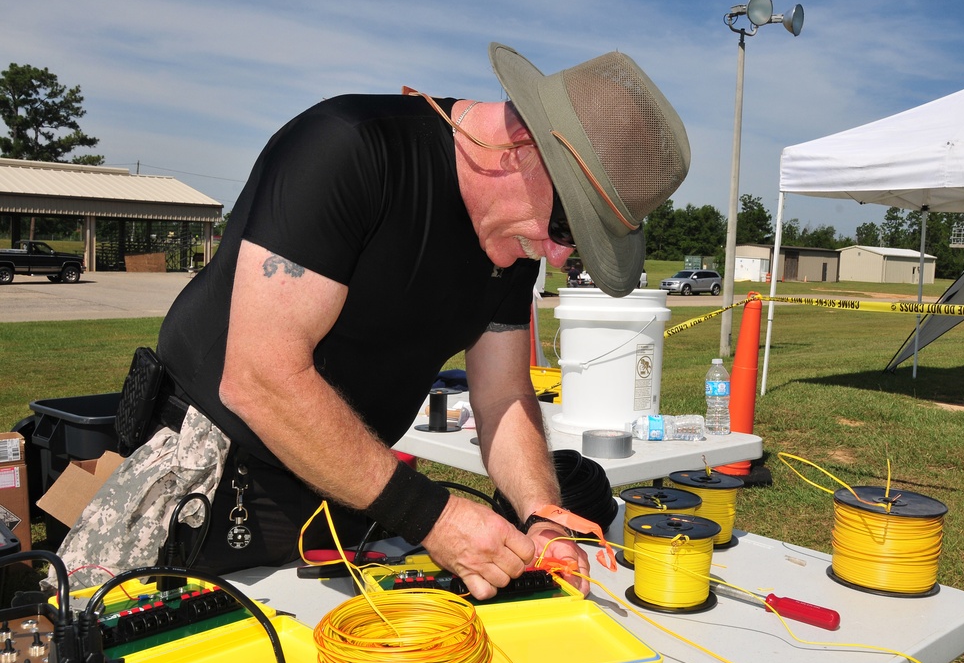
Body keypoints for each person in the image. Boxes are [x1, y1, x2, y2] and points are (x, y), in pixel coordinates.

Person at [54, 42, 690, 599]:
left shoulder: (514, 242)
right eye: (564, 227)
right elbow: (260, 378)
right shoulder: (350, 150)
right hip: (205, 488)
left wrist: (540, 513)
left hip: (349, 497)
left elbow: (503, 395)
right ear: (520, 147)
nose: (557, 254)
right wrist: (436, 519)